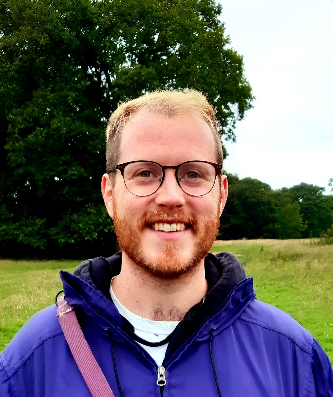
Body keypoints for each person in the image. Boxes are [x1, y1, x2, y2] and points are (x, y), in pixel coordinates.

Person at [0, 89, 332, 397]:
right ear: (110, 194)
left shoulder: (294, 357)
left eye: (193, 174)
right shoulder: (29, 361)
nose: (171, 197)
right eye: (144, 173)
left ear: (221, 195)